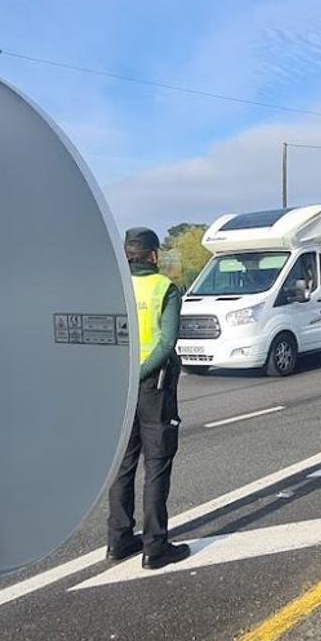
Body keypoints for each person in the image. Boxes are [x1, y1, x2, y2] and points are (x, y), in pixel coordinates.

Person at [107, 228, 192, 569]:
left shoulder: (114, 285)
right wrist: (141, 374)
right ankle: (155, 546)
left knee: (122, 466)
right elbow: (167, 342)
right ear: (154, 255)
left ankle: (119, 539)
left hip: (120, 389)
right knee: (156, 464)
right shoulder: (163, 288)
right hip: (153, 387)